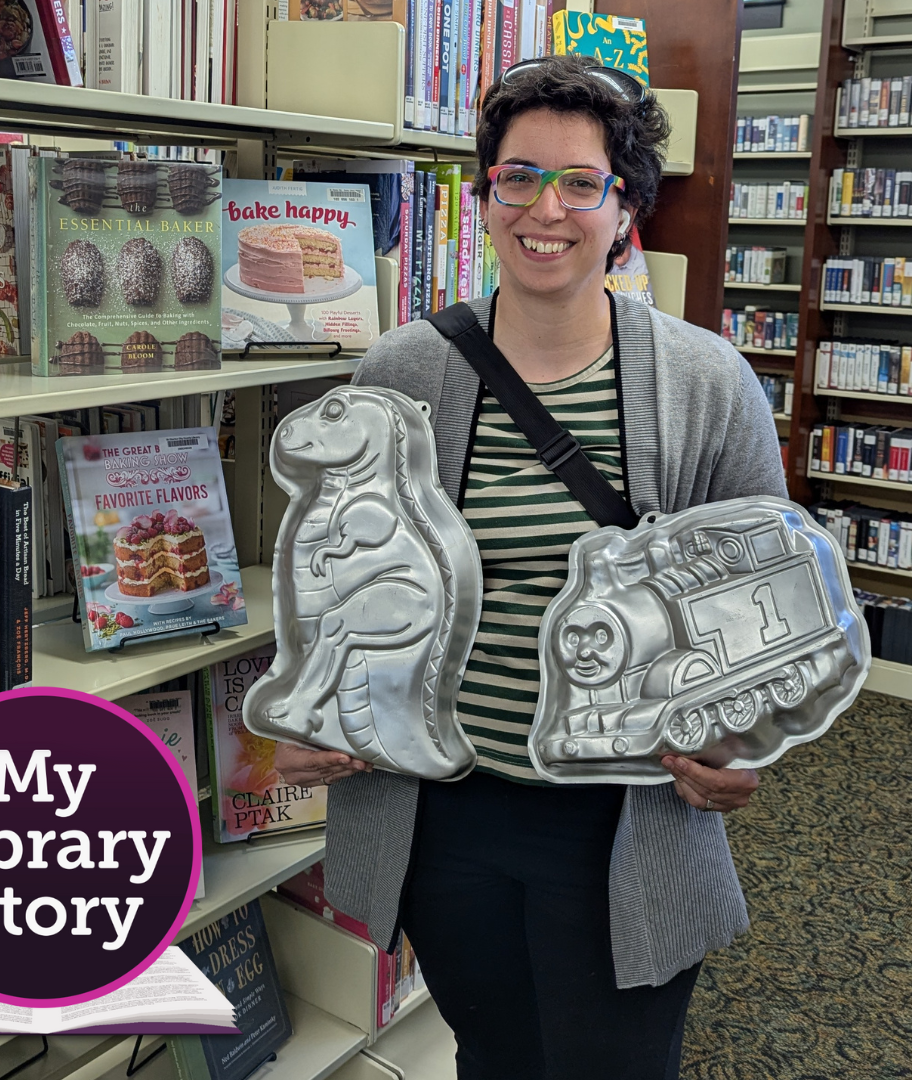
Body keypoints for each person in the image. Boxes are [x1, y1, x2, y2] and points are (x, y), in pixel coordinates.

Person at [274, 54, 786, 1079]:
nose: (544, 209)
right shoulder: (402, 371)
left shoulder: (706, 383)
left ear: (626, 204)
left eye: (580, 182)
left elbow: (768, 607)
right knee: (495, 1055)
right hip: (447, 814)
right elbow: (335, 584)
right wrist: (309, 719)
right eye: (517, 176)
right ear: (485, 192)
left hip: (620, 821)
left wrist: (744, 745)